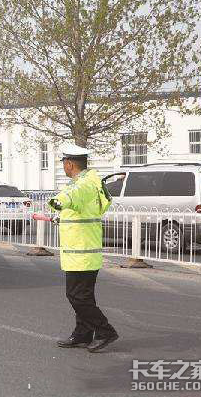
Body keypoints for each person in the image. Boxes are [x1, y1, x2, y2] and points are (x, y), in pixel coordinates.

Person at [49, 145, 119, 353]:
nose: (63, 167)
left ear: (69, 163)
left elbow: (71, 196)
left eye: (63, 163)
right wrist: (61, 216)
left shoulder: (83, 184)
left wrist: (57, 203)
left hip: (81, 253)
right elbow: (81, 208)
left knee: (76, 296)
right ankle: (83, 334)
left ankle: (105, 331)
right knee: (84, 296)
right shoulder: (92, 181)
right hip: (84, 250)